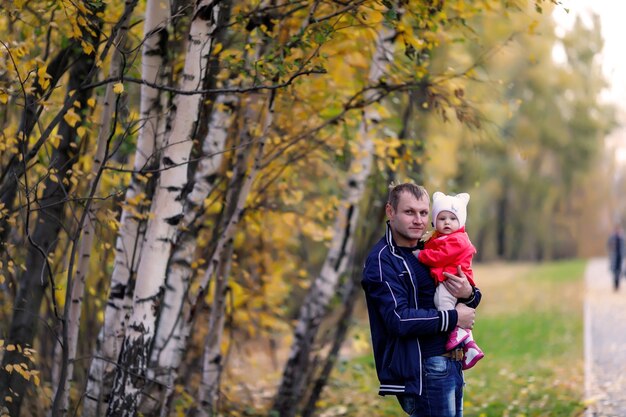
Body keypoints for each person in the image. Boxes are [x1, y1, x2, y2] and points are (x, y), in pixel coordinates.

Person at [361, 182, 482, 417]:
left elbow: (467, 294)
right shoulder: (383, 260)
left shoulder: (432, 249)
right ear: (390, 211)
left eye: (423, 213)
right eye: (409, 212)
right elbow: (398, 319)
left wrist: (469, 294)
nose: (418, 220)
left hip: (452, 363)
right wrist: (454, 317)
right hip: (424, 369)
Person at [414, 191, 484, 370]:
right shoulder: (441, 238)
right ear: (435, 221)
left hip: (453, 279)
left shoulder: (458, 240)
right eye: (442, 218)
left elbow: (439, 256)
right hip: (450, 277)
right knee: (445, 301)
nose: (447, 222)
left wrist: (421, 254)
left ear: (460, 222)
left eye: (452, 219)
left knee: (442, 300)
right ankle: (469, 343)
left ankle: (455, 330)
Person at [607, 224, 625, 291]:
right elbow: (608, 245)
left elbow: (624, 246)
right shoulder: (612, 237)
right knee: (614, 271)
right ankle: (615, 284)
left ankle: (618, 284)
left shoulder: (622, 237)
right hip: (614, 256)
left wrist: (624, 254)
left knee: (619, 270)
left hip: (620, 256)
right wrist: (610, 253)